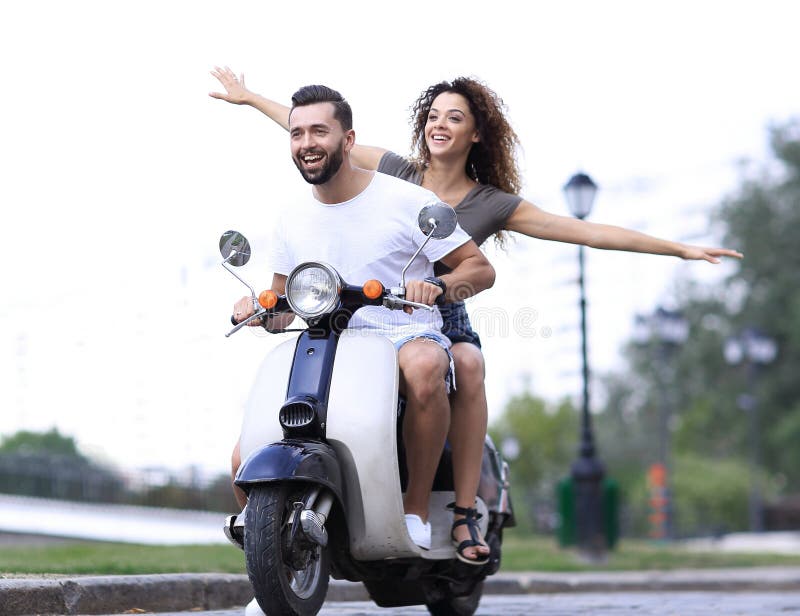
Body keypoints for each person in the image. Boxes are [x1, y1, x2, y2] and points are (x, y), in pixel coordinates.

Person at [211, 67, 743, 563]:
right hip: (354, 310)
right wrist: (251, 97)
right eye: (434, 116)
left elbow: (586, 232)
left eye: (455, 117)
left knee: (461, 366)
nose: (440, 125)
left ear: (476, 134)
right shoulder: (396, 172)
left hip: (436, 309)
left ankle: (460, 513)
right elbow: (314, 132)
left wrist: (680, 249)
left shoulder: (487, 202)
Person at [228, 83, 496, 561]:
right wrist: (258, 309)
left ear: (347, 140)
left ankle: (414, 511)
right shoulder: (291, 218)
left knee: (425, 365)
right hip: (328, 339)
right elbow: (284, 304)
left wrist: (437, 287)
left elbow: (479, 268)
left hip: (402, 329)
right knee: (240, 453)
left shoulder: (404, 200)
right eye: (297, 133)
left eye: (319, 131)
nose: (307, 142)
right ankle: (272, 557)